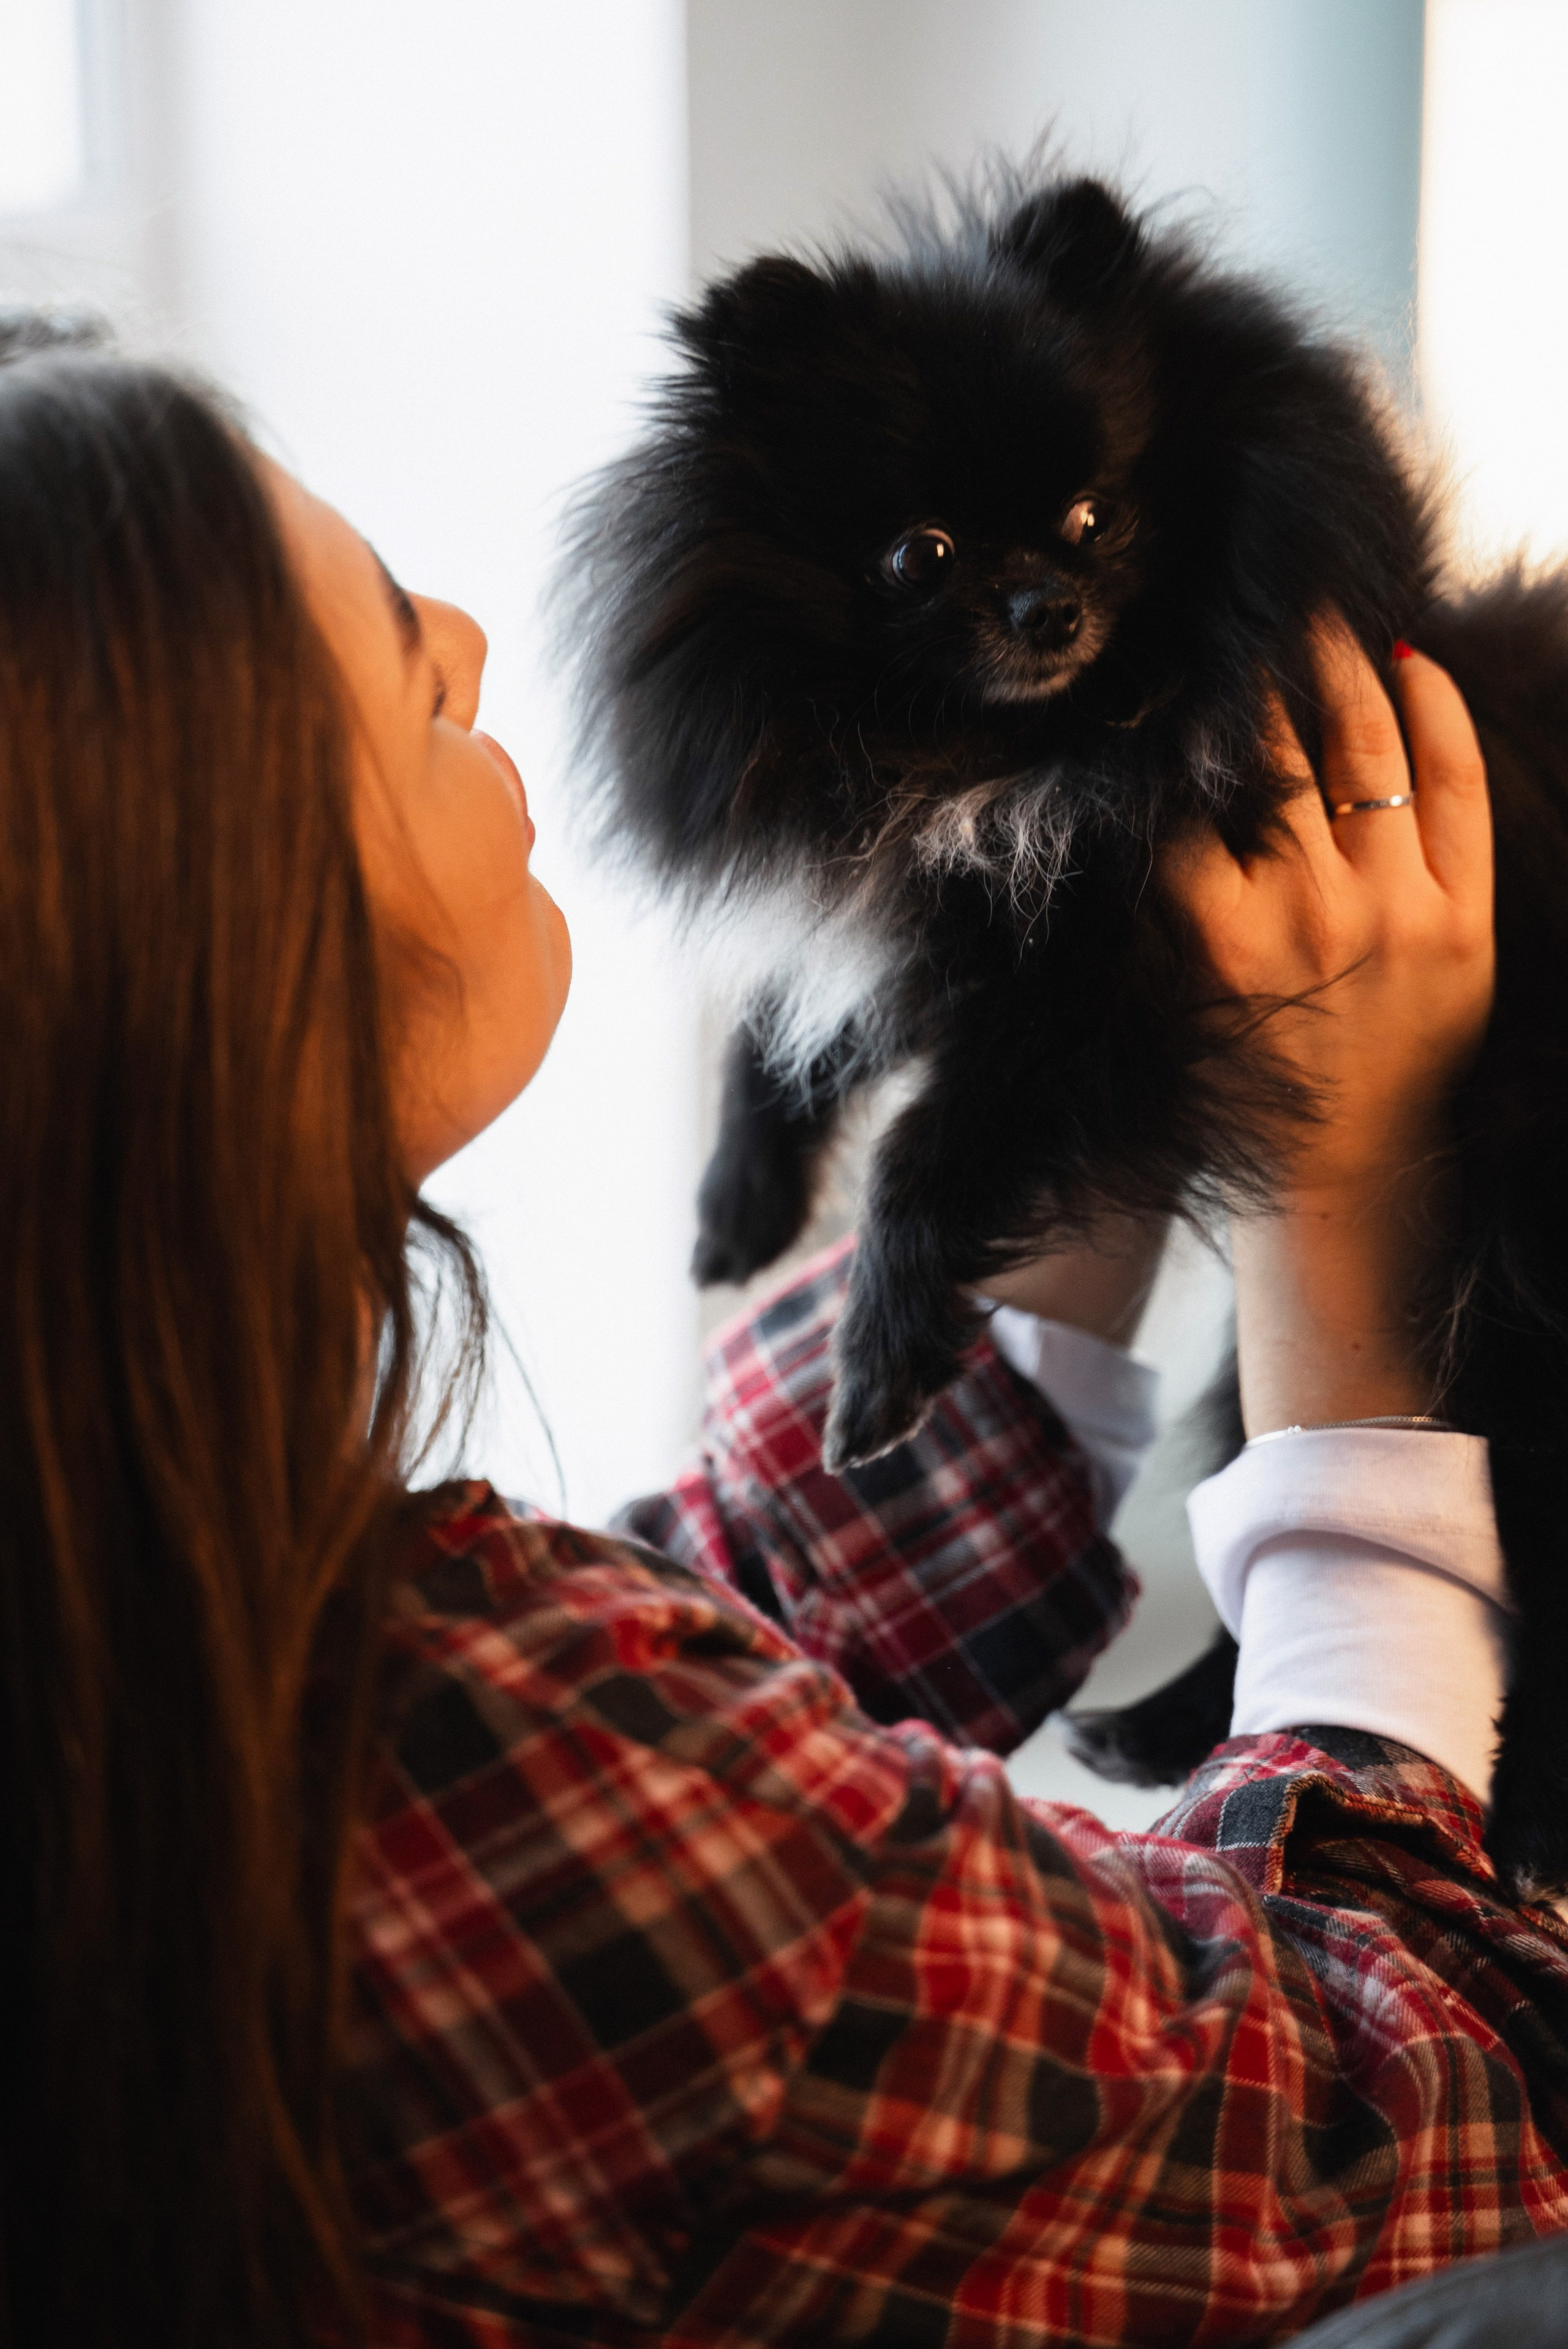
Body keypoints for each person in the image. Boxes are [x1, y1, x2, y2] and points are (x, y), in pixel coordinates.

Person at [0, 324, 1563, 2349]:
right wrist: (1340, 1214)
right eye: (396, 657)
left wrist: (1098, 1049)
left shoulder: (168, 1640)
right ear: (197, 941)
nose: (472, 644)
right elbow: (1412, 2115)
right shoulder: (441, 1804)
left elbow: (722, 1636)